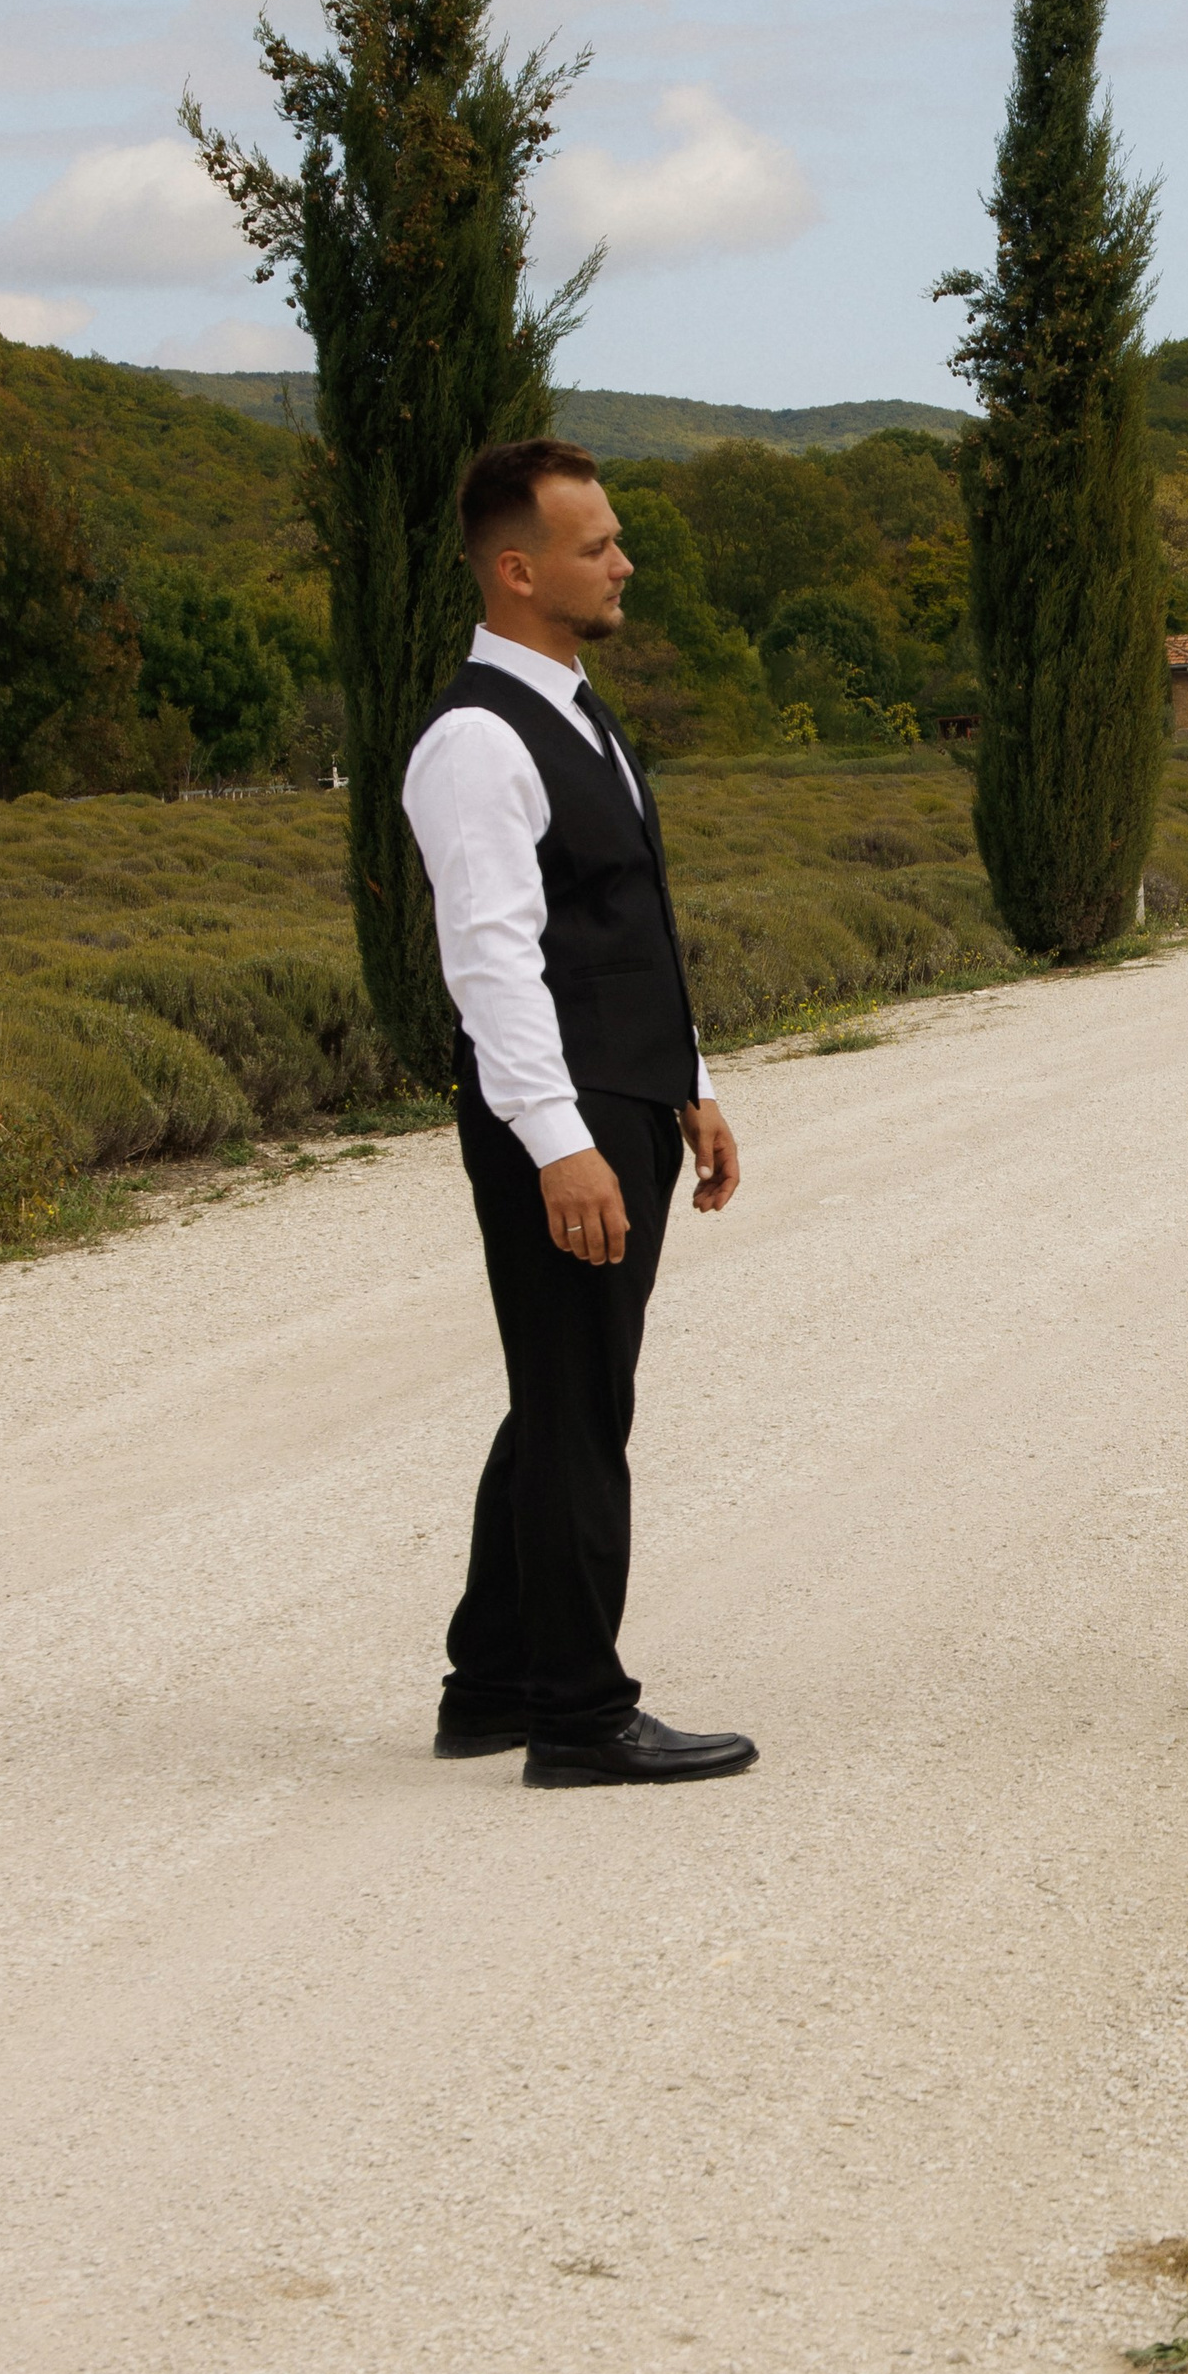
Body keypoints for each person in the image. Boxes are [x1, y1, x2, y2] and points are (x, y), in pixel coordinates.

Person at [401, 436, 759, 1790]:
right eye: (596, 543)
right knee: (576, 1412)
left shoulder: (577, 707)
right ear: (517, 568)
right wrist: (559, 1142)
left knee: (562, 1394)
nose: (625, 560)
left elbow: (621, 919)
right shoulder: (476, 741)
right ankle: (581, 1715)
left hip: (623, 1093)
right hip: (559, 1114)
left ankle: (490, 1682)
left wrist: (694, 1083)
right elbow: (490, 956)